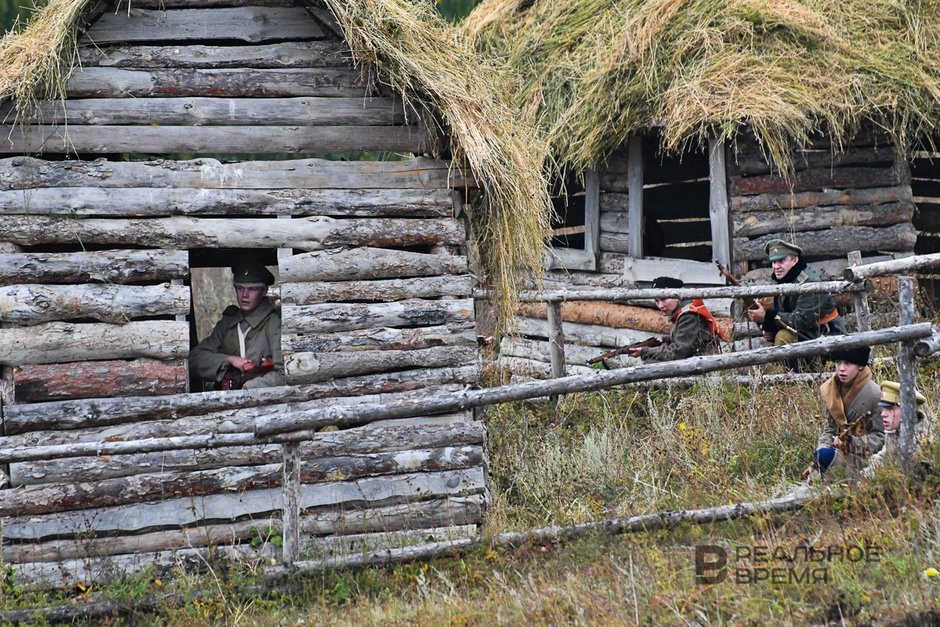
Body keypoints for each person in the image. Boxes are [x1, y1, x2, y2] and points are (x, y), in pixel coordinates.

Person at [190, 261, 286, 390]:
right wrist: (228, 360)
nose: (245, 295)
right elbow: (194, 359)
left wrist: (253, 387)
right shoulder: (228, 322)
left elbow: (285, 374)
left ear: (264, 291)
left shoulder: (274, 323)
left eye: (252, 289)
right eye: (240, 288)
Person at [746, 239, 845, 346]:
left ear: (795, 260)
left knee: (783, 337)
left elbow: (801, 321)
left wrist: (767, 317)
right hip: (808, 332)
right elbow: (785, 311)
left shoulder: (809, 283)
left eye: (781, 261)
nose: (776, 266)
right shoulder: (784, 279)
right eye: (774, 262)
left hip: (828, 334)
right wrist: (768, 325)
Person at [809, 346, 884, 479]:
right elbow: (830, 428)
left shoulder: (875, 394)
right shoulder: (830, 390)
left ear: (860, 366)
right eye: (838, 362)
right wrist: (823, 448)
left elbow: (881, 437)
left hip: (863, 460)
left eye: (848, 363)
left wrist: (852, 443)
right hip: (835, 452)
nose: (841, 368)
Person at [627, 276, 728, 362]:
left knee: (650, 366)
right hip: (692, 360)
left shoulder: (689, 316)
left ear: (677, 297)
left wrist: (645, 351)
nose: (660, 305)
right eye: (657, 301)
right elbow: (680, 340)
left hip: (701, 363)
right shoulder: (679, 312)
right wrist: (660, 341)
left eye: (663, 299)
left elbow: (679, 352)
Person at [863, 381, 929, 477]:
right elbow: (882, 458)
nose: (883, 414)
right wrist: (863, 478)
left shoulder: (923, 441)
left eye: (889, 409)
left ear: (907, 410)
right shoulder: (894, 432)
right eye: (883, 409)